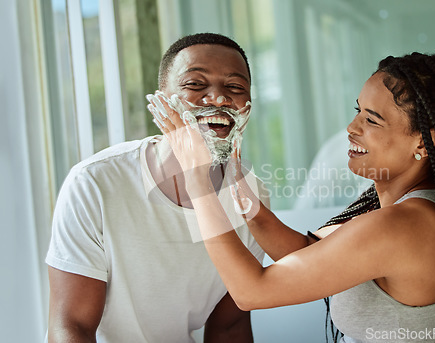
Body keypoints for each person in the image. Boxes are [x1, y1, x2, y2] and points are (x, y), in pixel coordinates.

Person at [154, 52, 435, 342]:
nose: (352, 127)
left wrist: (198, 180)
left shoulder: (403, 226)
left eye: (372, 120)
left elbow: (251, 292)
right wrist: (240, 190)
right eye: (358, 109)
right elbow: (310, 255)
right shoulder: (407, 212)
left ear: (423, 142)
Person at [45, 33, 268, 343]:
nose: (218, 98)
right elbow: (72, 327)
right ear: (161, 99)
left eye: (235, 87)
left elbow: (229, 327)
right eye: (195, 85)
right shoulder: (95, 183)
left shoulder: (250, 194)